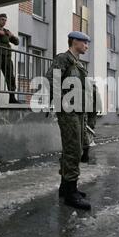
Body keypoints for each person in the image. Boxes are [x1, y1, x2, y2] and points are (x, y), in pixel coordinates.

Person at [46, 31, 92, 210]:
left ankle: (66, 187)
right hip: (68, 111)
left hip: (78, 111)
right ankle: (71, 193)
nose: (87, 46)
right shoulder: (63, 59)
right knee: (73, 149)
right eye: (85, 43)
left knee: (75, 148)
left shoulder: (78, 63)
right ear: (74, 41)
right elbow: (51, 80)